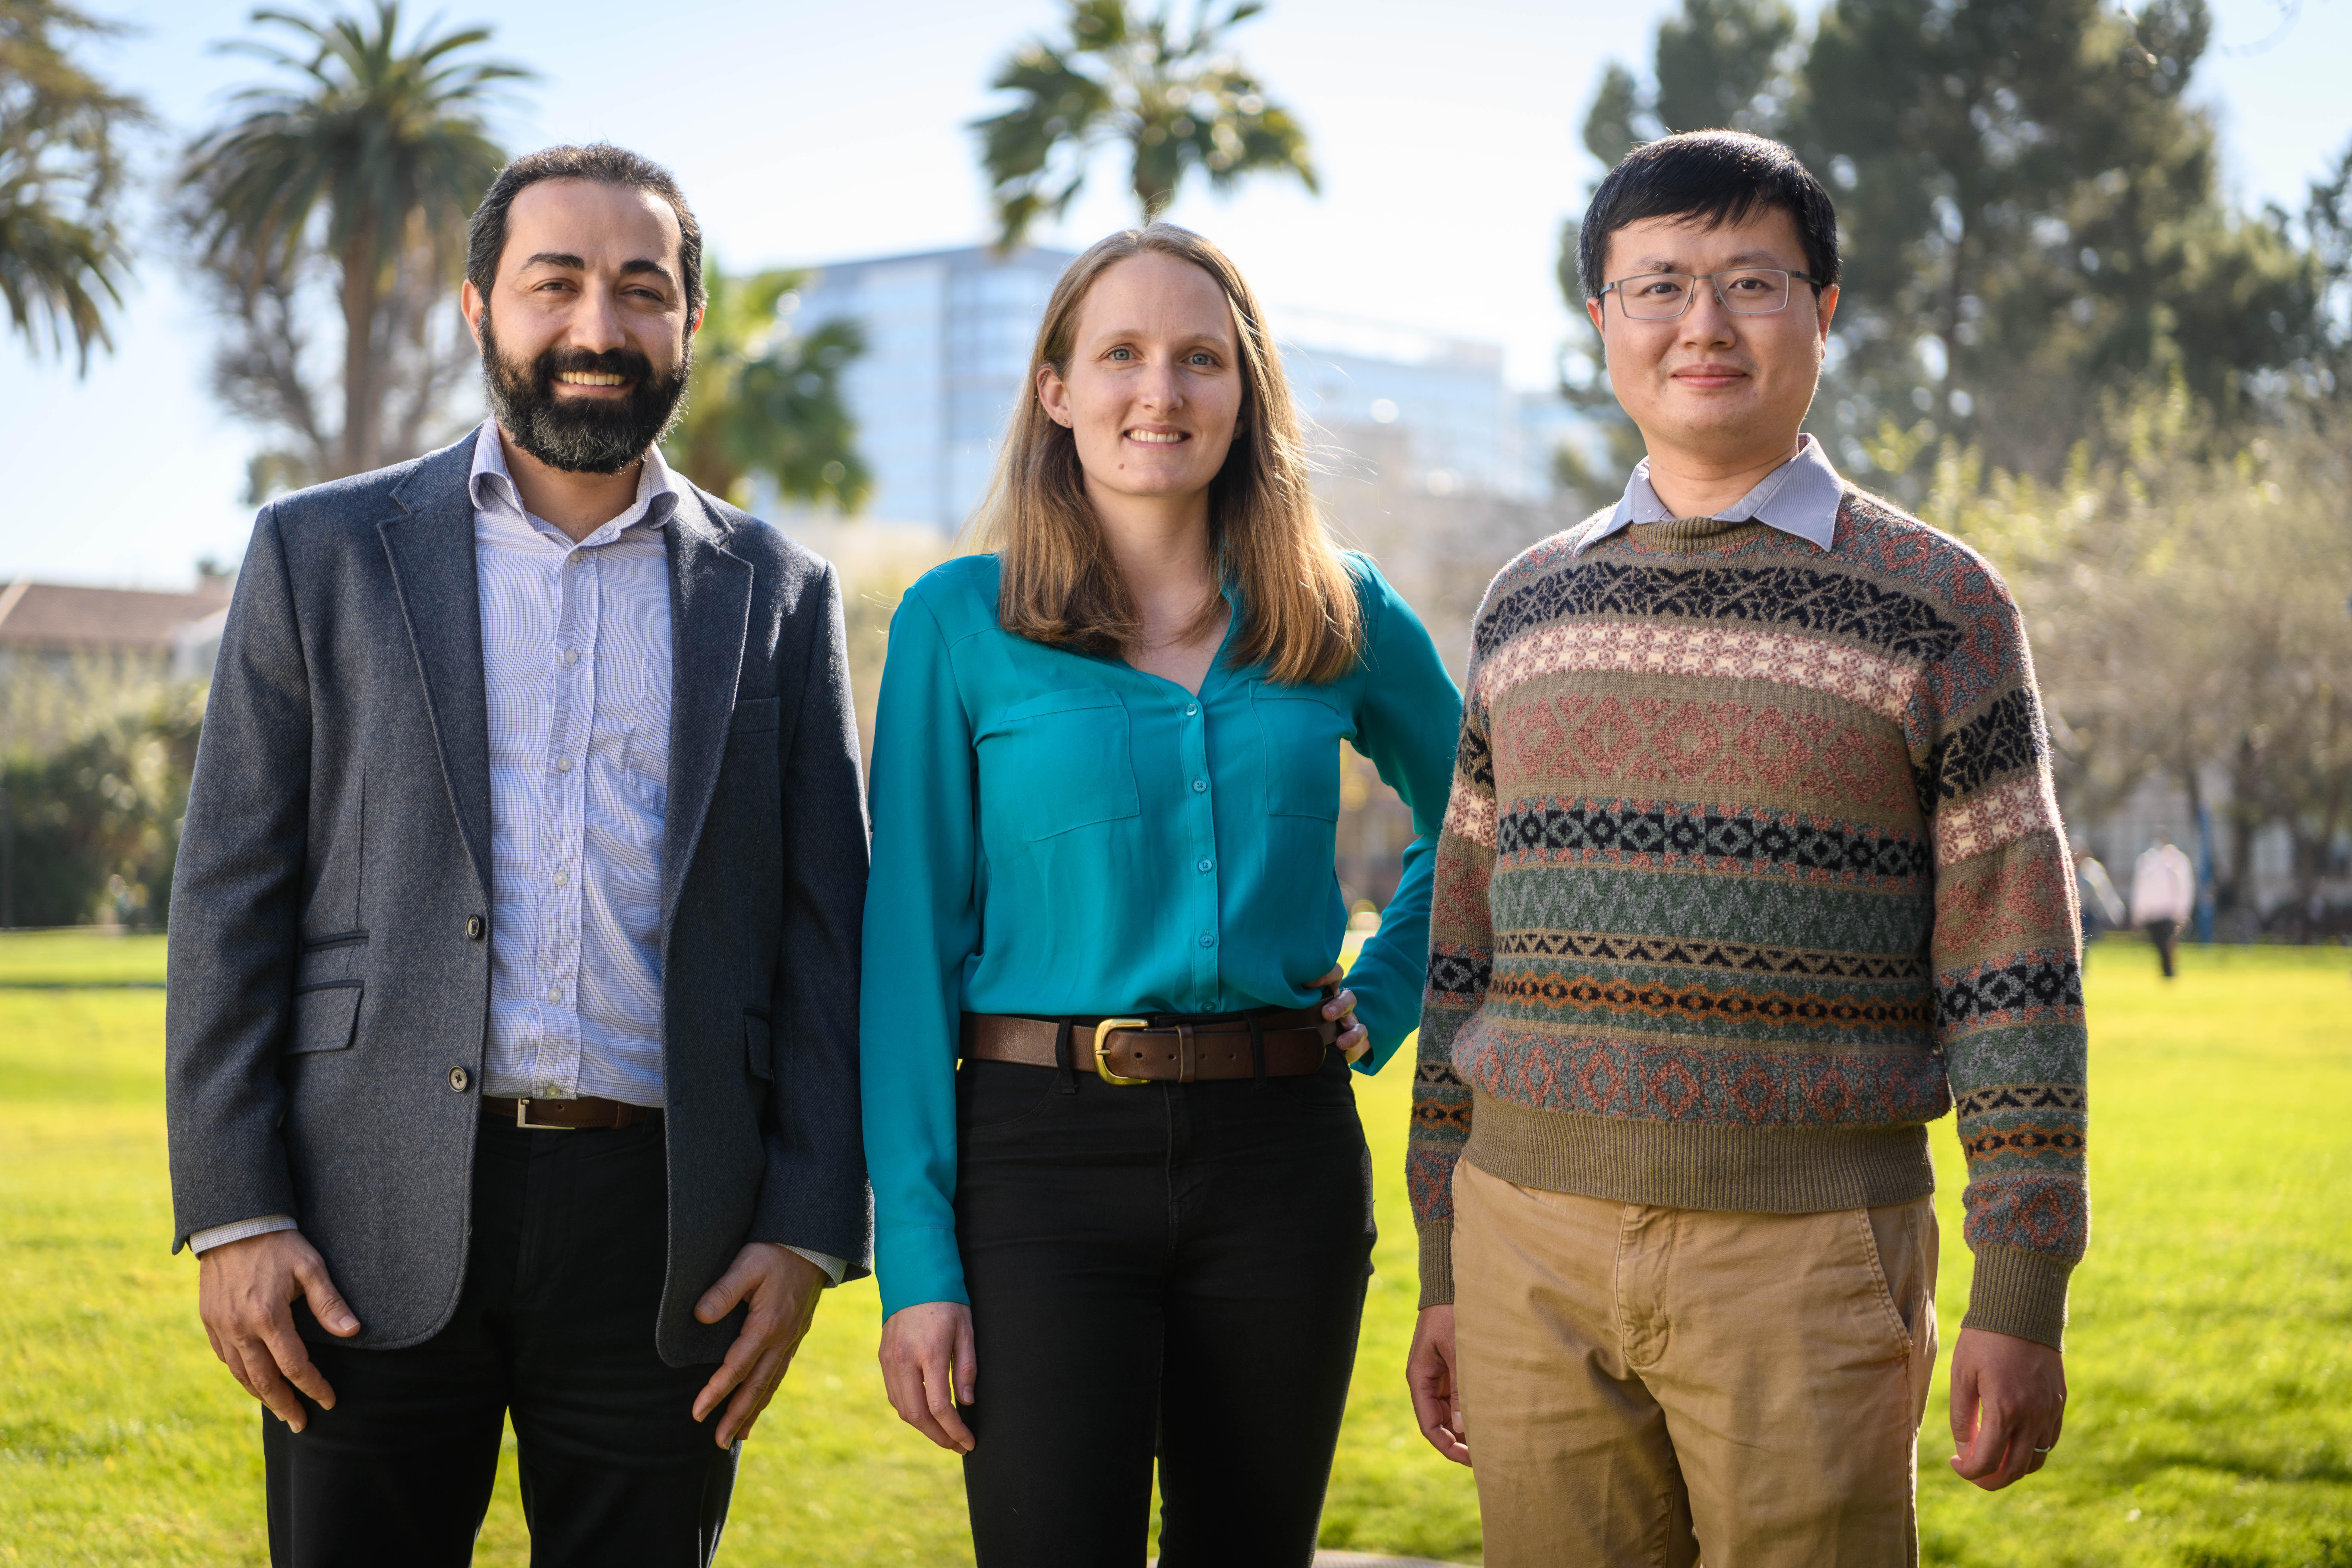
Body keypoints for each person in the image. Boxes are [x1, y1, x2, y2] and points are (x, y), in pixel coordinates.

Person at [165, 144, 871, 1568]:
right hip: (363, 1214)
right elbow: (231, 889)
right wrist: (234, 1207)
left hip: (666, 1234)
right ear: (481, 306)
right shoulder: (321, 551)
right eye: (556, 284)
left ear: (687, 324)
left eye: (641, 289)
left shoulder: (781, 595)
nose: (599, 327)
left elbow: (824, 935)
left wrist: (804, 1226)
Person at [1404, 131, 2088, 1567]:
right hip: (1524, 1244)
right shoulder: (1526, 606)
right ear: (1601, 321)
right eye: (1654, 285)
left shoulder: (1938, 602)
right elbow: (1460, 947)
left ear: (1824, 310)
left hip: (1807, 1252)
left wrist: (2019, 1286)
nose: (1699, 323)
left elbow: (2013, 960)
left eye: (1749, 282)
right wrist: (1443, 1257)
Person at [859, 225, 1461, 1567]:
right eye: (1119, 354)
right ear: (1054, 390)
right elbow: (901, 955)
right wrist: (916, 1265)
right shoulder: (956, 623)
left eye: (1200, 358)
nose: (1160, 392)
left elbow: (1487, 819)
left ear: (1245, 394)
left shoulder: (1335, 610)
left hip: (1282, 1162)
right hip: (1034, 1164)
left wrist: (1388, 988)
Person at [2131, 838, 2196, 977]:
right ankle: (2166, 970)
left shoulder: (2177, 860)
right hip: (2153, 912)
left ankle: (2170, 971)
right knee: (2159, 943)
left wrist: (2182, 910)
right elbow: (2141, 888)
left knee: (2168, 942)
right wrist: (2139, 912)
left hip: (2168, 912)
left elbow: (2184, 887)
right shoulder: (2147, 860)